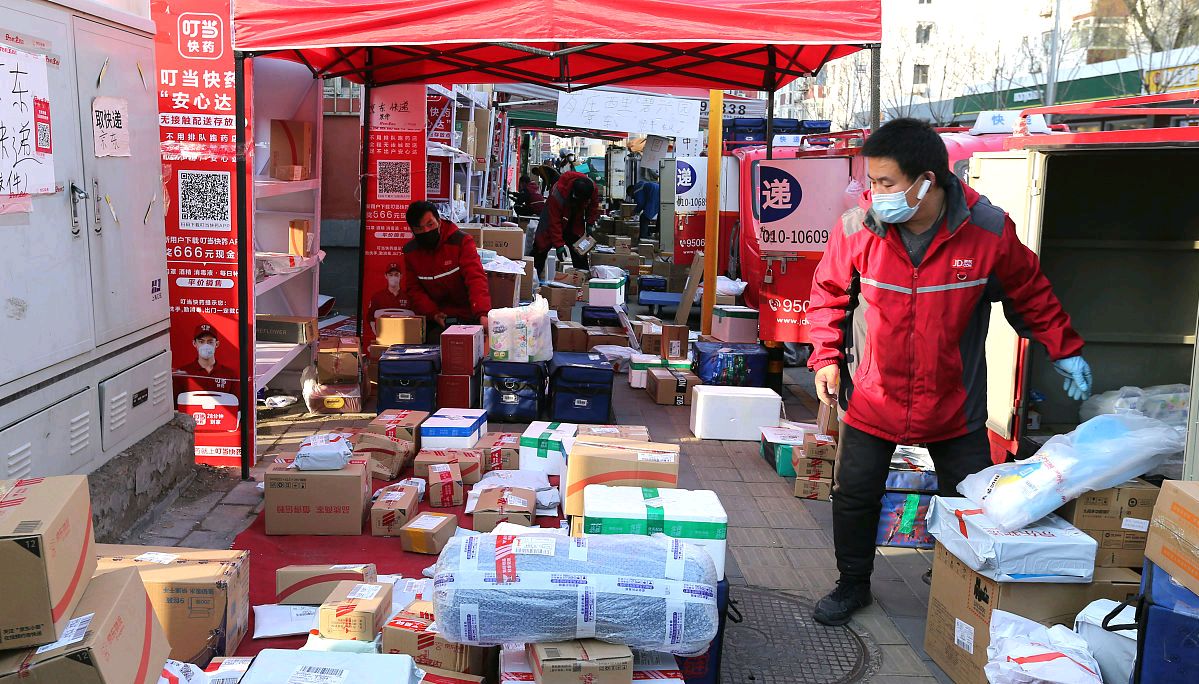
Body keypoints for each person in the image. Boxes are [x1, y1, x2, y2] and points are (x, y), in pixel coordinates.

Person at [805, 118, 1093, 627]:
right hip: (872, 394)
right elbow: (828, 294)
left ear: (927, 181)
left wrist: (1064, 349)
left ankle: (955, 581)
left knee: (968, 501)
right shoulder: (859, 228)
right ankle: (852, 584)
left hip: (953, 400)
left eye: (887, 184)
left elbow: (1031, 292)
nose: (876, 194)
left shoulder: (987, 231)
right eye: (872, 182)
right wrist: (826, 356)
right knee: (854, 494)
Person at [401, 200, 491, 337]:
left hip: (468, 315)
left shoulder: (461, 242)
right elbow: (414, 290)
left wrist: (482, 313)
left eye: (430, 224)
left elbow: (476, 279)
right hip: (437, 318)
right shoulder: (411, 252)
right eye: (419, 229)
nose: (426, 231)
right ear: (413, 230)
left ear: (439, 221)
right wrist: (434, 313)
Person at [533, 170, 600, 274]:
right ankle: (532, 278)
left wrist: (590, 223)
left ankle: (582, 278)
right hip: (552, 215)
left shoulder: (592, 188)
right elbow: (554, 221)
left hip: (575, 217)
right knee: (541, 246)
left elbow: (593, 206)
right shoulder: (557, 193)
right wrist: (559, 245)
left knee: (579, 248)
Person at [176, 324, 237, 391]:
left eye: (210, 342)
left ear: (217, 344)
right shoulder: (182, 374)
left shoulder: (230, 375)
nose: (206, 346)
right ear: (194, 343)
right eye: (201, 341)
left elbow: (237, 400)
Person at [367, 262, 408, 333]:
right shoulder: (377, 297)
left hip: (404, 335)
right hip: (384, 334)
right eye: (390, 275)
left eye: (396, 275)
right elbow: (370, 317)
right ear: (386, 276)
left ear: (401, 276)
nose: (393, 277)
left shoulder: (408, 297)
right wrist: (376, 332)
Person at [628, 173, 661, 241]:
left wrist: (635, 212)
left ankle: (643, 239)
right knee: (660, 217)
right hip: (661, 193)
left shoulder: (636, 190)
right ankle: (656, 233)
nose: (632, 198)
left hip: (655, 196)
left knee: (644, 217)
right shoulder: (641, 185)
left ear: (631, 191)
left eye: (630, 196)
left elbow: (641, 203)